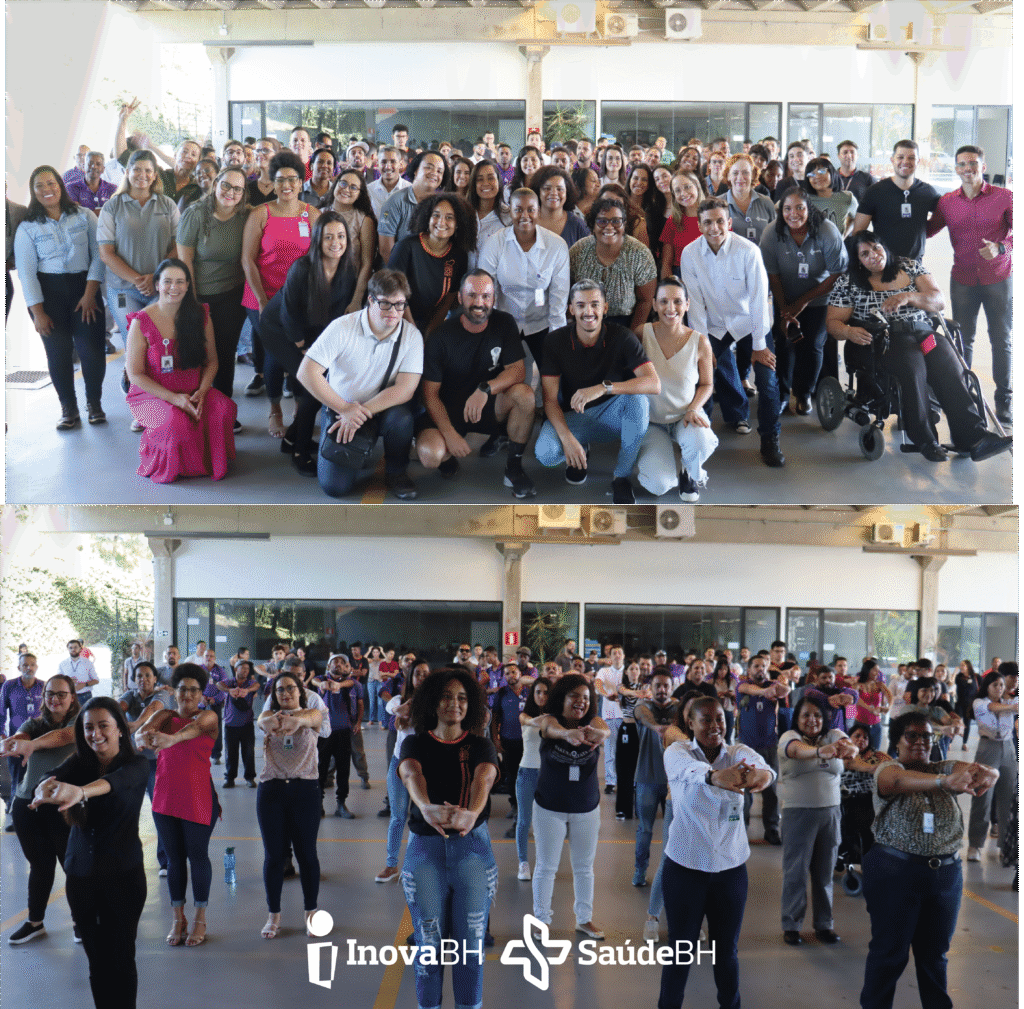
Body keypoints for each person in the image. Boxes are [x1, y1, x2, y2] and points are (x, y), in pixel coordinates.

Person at [826, 231, 1011, 463]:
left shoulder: (910, 267)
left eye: (876, 247)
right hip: (885, 338)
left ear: (884, 247)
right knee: (912, 366)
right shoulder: (849, 281)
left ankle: (974, 438)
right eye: (865, 254)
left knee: (948, 362)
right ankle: (924, 439)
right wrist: (848, 331)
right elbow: (833, 322)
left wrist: (909, 296)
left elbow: (938, 300)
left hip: (923, 333)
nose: (873, 255)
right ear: (858, 260)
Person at [858, 710, 998, 1009]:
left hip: (945, 876)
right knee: (889, 954)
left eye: (927, 736)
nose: (921, 741)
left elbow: (976, 770)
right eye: (912, 735)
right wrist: (945, 782)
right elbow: (898, 780)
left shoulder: (942, 766)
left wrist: (990, 773)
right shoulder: (888, 769)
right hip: (896, 873)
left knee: (935, 956)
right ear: (897, 741)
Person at [657, 695, 775, 1009]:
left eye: (719, 718)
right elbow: (689, 771)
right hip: (685, 870)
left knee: (727, 953)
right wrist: (713, 776)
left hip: (730, 871)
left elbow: (764, 767)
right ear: (691, 723)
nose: (714, 726)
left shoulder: (738, 753)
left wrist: (763, 776)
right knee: (680, 953)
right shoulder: (677, 752)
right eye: (706, 719)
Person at [31, 698, 148, 1009]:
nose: (95, 734)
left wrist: (81, 791)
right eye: (88, 728)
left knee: (121, 958)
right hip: (81, 876)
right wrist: (43, 788)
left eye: (103, 726)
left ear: (120, 729)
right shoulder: (78, 763)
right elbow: (48, 777)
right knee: (97, 962)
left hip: (123, 877)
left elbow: (114, 783)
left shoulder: (137, 765)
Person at [398, 668, 500, 1009]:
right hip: (425, 852)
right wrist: (425, 806)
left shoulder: (480, 744)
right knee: (428, 948)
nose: (454, 703)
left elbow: (484, 778)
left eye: (461, 698)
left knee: (470, 949)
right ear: (431, 702)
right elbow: (411, 772)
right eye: (445, 696)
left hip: (472, 852)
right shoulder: (415, 742)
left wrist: (472, 812)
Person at [296, 268, 423, 500]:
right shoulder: (342, 327)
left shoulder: (412, 336)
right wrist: (345, 408)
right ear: (370, 300)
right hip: (340, 407)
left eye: (399, 304)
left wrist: (359, 412)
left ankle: (396, 471)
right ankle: (356, 449)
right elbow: (306, 372)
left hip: (380, 409)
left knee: (402, 419)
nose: (393, 312)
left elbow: (406, 389)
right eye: (385, 304)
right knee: (335, 488)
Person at [679, 198, 785, 468]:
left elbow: (759, 300)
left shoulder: (748, 251)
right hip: (714, 324)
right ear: (699, 225)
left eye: (719, 221)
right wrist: (703, 347)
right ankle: (698, 433)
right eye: (707, 222)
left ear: (729, 223)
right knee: (698, 374)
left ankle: (770, 439)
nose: (714, 228)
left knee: (767, 381)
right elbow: (695, 305)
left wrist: (760, 346)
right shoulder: (690, 254)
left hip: (750, 322)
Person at [535, 279, 659, 504]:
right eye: (581, 305)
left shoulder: (622, 336)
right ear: (571, 310)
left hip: (614, 413)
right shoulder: (555, 341)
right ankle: (580, 447)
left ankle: (622, 476)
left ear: (605, 308)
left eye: (595, 304)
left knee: (639, 401)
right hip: (576, 415)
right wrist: (568, 440)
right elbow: (549, 399)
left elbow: (653, 383)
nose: (588, 312)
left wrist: (604, 388)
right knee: (545, 453)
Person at [416, 269, 538, 497]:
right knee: (430, 455)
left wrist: (486, 389)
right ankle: (447, 460)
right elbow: (429, 394)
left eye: (486, 296)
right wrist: (449, 434)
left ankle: (514, 468)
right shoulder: (440, 336)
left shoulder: (504, 323)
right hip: (450, 410)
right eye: (472, 295)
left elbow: (517, 371)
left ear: (494, 299)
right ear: (460, 298)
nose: (479, 303)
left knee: (525, 395)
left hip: (488, 406)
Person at [254, 210, 358, 475]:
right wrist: (303, 348)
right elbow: (288, 314)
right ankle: (299, 451)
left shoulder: (348, 270)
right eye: (328, 237)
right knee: (314, 386)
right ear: (317, 240)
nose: (336, 242)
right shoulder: (302, 268)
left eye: (341, 236)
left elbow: (336, 314)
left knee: (318, 381)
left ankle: (291, 439)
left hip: (309, 331)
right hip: (279, 329)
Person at [125, 257, 237, 482]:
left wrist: (202, 392)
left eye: (180, 282)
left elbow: (212, 362)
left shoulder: (201, 315)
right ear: (157, 284)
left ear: (187, 286)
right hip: (152, 394)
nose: (173, 287)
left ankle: (205, 461)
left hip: (193, 390)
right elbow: (135, 374)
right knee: (175, 423)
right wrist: (175, 399)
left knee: (223, 409)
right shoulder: (141, 321)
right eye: (167, 281)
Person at [14, 164, 108, 429]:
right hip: (48, 297)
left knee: (92, 351)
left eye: (51, 183)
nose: (47, 189)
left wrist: (89, 294)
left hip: (84, 290)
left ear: (60, 185)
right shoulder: (27, 228)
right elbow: (27, 274)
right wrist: (38, 313)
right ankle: (68, 408)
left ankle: (94, 404)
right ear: (33, 191)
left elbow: (99, 255)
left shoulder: (84, 215)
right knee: (58, 354)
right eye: (39, 185)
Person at [135, 663, 221, 948]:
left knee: (197, 856)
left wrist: (171, 738)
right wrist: (143, 737)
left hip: (198, 797)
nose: (187, 695)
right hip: (165, 798)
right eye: (182, 689)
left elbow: (193, 730)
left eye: (194, 690)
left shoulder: (207, 716)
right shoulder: (164, 716)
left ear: (202, 693)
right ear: (174, 691)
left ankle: (200, 917)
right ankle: (177, 917)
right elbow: (142, 731)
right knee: (173, 859)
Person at [926, 144, 1013, 426]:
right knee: (963, 339)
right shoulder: (947, 202)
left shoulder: (1004, 197)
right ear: (956, 169)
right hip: (963, 279)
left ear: (982, 167)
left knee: (1001, 339)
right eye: (962, 164)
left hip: (998, 277)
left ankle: (1005, 400)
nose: (967, 168)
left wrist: (1001, 247)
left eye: (973, 163)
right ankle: (966, 397)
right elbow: (927, 230)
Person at [240, 149, 321, 437]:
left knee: (298, 353)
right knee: (276, 354)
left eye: (292, 179)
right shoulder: (260, 214)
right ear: (272, 183)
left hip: (298, 300)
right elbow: (247, 260)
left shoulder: (312, 215)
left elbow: (318, 259)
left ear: (301, 182)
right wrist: (263, 301)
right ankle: (274, 408)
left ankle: (299, 407)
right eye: (280, 180)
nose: (287, 185)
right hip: (262, 297)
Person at [531, 673, 611, 939]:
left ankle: (584, 919)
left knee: (584, 867)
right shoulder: (550, 720)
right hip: (549, 807)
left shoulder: (593, 722)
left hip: (586, 808)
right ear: (561, 698)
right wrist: (568, 734)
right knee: (546, 867)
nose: (581, 702)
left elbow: (604, 728)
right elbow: (549, 729)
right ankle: (541, 920)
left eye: (586, 697)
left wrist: (600, 733)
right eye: (574, 696)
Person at [1, 674, 78, 944]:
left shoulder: (79, 723)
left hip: (62, 806)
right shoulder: (33, 724)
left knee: (72, 865)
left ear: (72, 697)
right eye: (50, 694)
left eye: (61, 694)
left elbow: (62, 737)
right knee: (40, 866)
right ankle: (35, 923)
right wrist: (15, 742)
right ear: (43, 697)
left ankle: (81, 921)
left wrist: (32, 745)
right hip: (26, 804)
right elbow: (21, 735)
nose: (55, 699)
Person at [777, 694, 858, 945]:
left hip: (830, 813)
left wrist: (849, 748)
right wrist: (820, 752)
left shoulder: (834, 735)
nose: (812, 720)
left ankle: (824, 924)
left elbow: (850, 747)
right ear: (797, 718)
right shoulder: (790, 737)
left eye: (817, 715)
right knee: (796, 873)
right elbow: (796, 751)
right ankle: (791, 925)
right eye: (806, 715)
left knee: (825, 874)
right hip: (797, 813)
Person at [760, 189, 848, 413]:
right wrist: (786, 310)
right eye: (787, 208)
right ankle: (782, 394)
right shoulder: (771, 233)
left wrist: (803, 302)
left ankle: (804, 394)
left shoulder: (827, 231)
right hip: (785, 296)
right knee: (784, 342)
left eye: (800, 208)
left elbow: (837, 273)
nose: (793, 214)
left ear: (810, 209)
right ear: (781, 211)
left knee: (813, 344)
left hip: (819, 298)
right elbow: (772, 276)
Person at [255, 670, 324, 939]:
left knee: (307, 855)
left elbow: (314, 718)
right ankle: (273, 914)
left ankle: (311, 912)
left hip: (305, 790)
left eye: (291, 688)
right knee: (274, 856)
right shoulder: (268, 715)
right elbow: (264, 722)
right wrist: (279, 720)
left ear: (300, 691)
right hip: (271, 791)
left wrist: (297, 720)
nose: (285, 693)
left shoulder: (312, 714)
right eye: (280, 689)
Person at [635, 277, 717, 501]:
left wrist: (693, 408)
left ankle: (688, 470)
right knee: (658, 485)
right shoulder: (641, 333)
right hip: (651, 421)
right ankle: (666, 468)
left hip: (685, 416)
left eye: (678, 301)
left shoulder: (700, 342)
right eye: (663, 301)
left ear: (687, 305)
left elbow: (707, 384)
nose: (670, 308)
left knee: (701, 442)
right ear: (654, 304)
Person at [477, 187, 570, 384]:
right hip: (505, 321)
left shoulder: (556, 246)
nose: (524, 216)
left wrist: (556, 340)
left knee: (554, 377)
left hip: (542, 322)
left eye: (531, 210)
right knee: (500, 377)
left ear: (539, 211)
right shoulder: (495, 243)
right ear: (510, 211)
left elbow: (559, 297)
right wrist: (489, 331)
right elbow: (486, 291)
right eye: (518, 210)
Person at [176, 166, 250, 405]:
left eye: (237, 189)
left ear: (243, 193)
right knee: (199, 352)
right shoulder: (195, 214)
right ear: (216, 184)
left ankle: (222, 409)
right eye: (226, 185)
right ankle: (196, 405)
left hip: (231, 293)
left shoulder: (246, 216)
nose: (230, 192)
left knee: (225, 352)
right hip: (199, 293)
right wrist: (191, 300)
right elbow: (185, 261)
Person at [97, 149, 180, 344]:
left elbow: (179, 246)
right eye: (137, 169)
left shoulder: (168, 205)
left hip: (161, 287)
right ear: (127, 172)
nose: (142, 175)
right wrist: (140, 281)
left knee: (159, 342)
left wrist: (156, 278)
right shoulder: (112, 206)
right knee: (134, 342)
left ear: (154, 176)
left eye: (148, 170)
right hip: (123, 289)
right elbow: (106, 254)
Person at [373, 658, 431, 884]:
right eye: (418, 673)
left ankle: (418, 864)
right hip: (399, 764)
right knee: (397, 817)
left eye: (425, 673)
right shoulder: (400, 699)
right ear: (410, 677)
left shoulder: (436, 702)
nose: (422, 677)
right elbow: (391, 707)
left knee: (421, 816)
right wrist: (401, 710)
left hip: (424, 768)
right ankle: (391, 865)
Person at [387, 192, 475, 335]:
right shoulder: (406, 246)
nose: (441, 222)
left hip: (429, 324)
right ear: (427, 218)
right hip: (394, 317)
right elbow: (394, 291)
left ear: (458, 223)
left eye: (449, 217)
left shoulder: (459, 256)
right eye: (436, 215)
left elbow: (448, 301)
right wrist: (413, 333)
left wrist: (429, 333)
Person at [570, 196, 658, 332]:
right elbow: (567, 292)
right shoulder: (578, 251)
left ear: (624, 224)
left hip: (625, 325)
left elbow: (645, 301)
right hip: (585, 322)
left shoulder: (639, 254)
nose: (609, 227)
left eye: (616, 221)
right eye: (602, 221)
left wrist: (632, 335)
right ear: (593, 225)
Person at [118, 661, 172, 873]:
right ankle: (125, 859)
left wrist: (135, 724)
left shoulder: (162, 695)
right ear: (134, 679)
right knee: (127, 810)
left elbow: (153, 709)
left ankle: (165, 860)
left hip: (156, 762)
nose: (144, 679)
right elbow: (119, 707)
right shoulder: (129, 696)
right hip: (133, 762)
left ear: (155, 678)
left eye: (148, 675)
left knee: (159, 809)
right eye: (139, 676)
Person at [852, 140, 939, 263]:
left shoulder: (927, 192)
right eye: (900, 157)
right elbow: (858, 233)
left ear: (918, 161)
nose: (905, 161)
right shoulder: (875, 191)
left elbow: (946, 214)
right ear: (892, 160)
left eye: (911, 158)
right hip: (883, 264)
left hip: (915, 265)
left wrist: (926, 232)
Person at [736, 653, 789, 845]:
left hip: (769, 745)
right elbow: (746, 688)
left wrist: (780, 684)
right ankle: (741, 829)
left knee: (771, 790)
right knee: (744, 789)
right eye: (756, 666)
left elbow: (785, 690)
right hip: (746, 746)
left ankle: (771, 829)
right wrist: (764, 692)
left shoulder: (772, 685)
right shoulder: (742, 686)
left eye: (763, 666)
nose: (760, 669)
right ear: (749, 669)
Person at [966, 669, 1017, 860]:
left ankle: (1006, 844)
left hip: (1008, 747)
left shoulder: (1010, 702)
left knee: (1008, 798)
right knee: (982, 796)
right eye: (995, 685)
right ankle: (975, 845)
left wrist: (1013, 705)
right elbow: (992, 708)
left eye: (1002, 685)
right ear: (986, 686)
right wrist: (1013, 707)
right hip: (988, 748)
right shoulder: (980, 702)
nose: (999, 688)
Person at [311, 654, 363, 818]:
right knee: (321, 768)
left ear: (347, 667)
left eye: (342, 662)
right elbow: (315, 681)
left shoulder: (349, 683)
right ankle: (318, 803)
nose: (338, 664)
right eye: (335, 662)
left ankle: (341, 803)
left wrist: (338, 684)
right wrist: (322, 684)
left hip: (343, 732)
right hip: (324, 732)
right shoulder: (321, 680)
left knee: (343, 769)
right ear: (328, 666)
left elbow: (351, 683)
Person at [509, 675, 550, 878]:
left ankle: (545, 861)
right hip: (527, 772)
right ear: (532, 694)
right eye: (538, 692)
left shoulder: (556, 718)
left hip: (549, 775)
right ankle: (523, 863)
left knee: (546, 822)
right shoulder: (525, 715)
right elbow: (527, 720)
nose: (541, 696)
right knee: (524, 820)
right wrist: (540, 721)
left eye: (545, 692)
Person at [837, 721, 891, 870]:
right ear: (849, 738)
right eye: (857, 736)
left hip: (874, 799)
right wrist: (874, 768)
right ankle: (868, 861)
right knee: (867, 823)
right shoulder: (845, 755)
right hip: (851, 799)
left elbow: (893, 767)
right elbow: (856, 765)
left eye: (865, 737)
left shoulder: (878, 755)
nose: (861, 740)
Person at [378, 150, 449, 260]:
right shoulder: (395, 202)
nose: (434, 173)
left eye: (439, 171)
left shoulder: (442, 205)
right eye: (429, 167)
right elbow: (386, 250)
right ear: (416, 170)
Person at [325, 169, 377, 313]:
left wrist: (356, 300)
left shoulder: (364, 220)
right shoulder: (318, 213)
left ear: (359, 193)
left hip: (348, 290)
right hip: (319, 286)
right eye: (343, 183)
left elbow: (367, 263)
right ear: (335, 184)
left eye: (353, 187)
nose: (346, 189)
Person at [216, 659, 260, 787]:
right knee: (231, 753)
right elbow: (218, 684)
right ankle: (229, 778)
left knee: (249, 753)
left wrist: (248, 691)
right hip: (230, 725)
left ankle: (250, 778)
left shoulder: (250, 683)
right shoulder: (230, 682)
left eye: (247, 669)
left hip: (247, 725)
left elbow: (257, 685)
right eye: (242, 668)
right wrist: (229, 690)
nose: (245, 671)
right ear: (235, 669)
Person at [659, 171, 705, 279]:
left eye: (687, 187)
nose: (683, 193)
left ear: (697, 186)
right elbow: (666, 264)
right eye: (678, 191)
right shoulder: (673, 221)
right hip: (681, 276)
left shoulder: (714, 216)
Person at [530, 165, 589, 249]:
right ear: (538, 191)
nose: (553, 193)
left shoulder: (578, 226)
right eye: (547, 188)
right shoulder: (527, 221)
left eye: (559, 189)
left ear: (567, 193)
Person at [465, 159, 509, 266]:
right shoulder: (464, 213)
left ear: (498, 181)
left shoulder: (509, 217)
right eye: (480, 179)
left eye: (490, 178)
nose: (485, 183)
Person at [802, 157, 858, 236]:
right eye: (811, 174)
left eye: (821, 171)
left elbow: (858, 218)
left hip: (837, 244)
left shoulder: (846, 198)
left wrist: (844, 235)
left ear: (832, 172)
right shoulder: (803, 199)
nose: (817, 176)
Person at [854, 658, 892, 752]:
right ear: (867, 670)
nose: (877, 673)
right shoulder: (858, 684)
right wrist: (870, 709)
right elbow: (856, 699)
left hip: (876, 725)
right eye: (875, 670)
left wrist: (888, 707)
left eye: (878, 671)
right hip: (860, 724)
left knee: (875, 753)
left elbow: (890, 696)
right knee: (859, 752)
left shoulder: (880, 684)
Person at [367, 145, 411, 219]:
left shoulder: (410, 190)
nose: (388, 167)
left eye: (393, 162)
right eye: (383, 162)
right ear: (377, 164)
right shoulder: (369, 190)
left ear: (400, 164)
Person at [58, 639, 99, 705]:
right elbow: (58, 681)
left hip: (85, 696)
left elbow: (96, 680)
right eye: (70, 648)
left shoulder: (88, 663)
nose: (73, 649)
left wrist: (84, 684)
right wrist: (67, 680)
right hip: (68, 696)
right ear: (68, 649)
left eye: (75, 647)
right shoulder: (62, 664)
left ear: (80, 648)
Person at [954, 659, 981, 748]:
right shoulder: (958, 677)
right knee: (956, 721)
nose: (961, 667)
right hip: (959, 703)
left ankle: (964, 743)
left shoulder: (976, 677)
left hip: (970, 705)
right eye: (960, 665)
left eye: (963, 665)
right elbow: (952, 683)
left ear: (968, 666)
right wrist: (954, 672)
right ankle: (950, 741)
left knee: (967, 724)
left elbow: (982, 687)